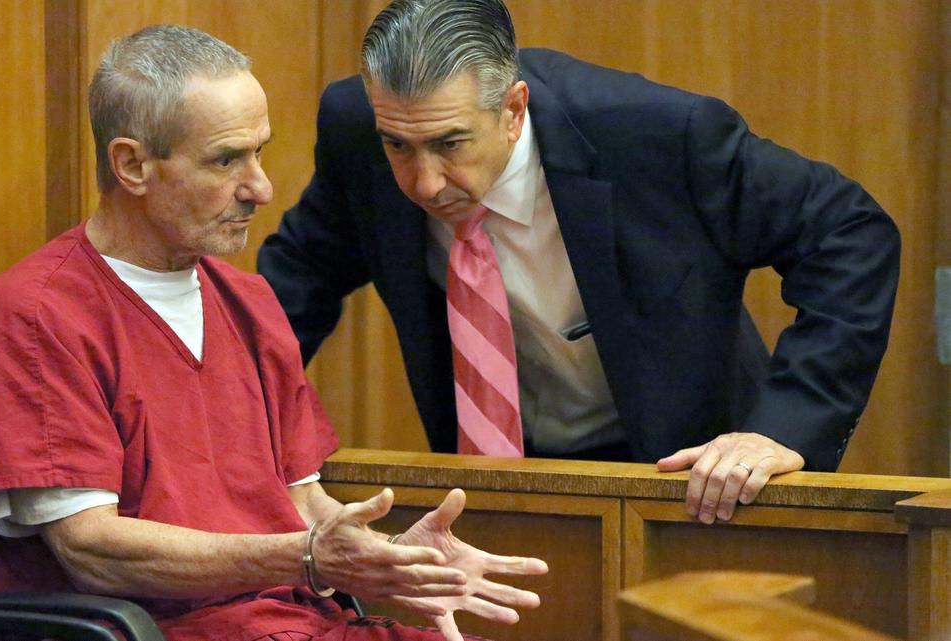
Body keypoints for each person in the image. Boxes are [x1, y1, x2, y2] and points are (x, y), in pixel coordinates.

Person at [0, 24, 547, 641]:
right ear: (131, 164)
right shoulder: (34, 317)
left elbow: (302, 504)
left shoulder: (249, 301)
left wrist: (398, 559)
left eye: (259, 152)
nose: (260, 188)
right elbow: (91, 549)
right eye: (227, 159)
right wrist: (307, 557)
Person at [257, 0, 900, 525]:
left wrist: (786, 425)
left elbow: (848, 233)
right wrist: (248, 434)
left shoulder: (659, 135)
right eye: (398, 145)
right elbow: (298, 281)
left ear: (513, 110)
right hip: (496, 477)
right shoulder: (355, 126)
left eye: (449, 144)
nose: (423, 183)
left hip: (690, 478)